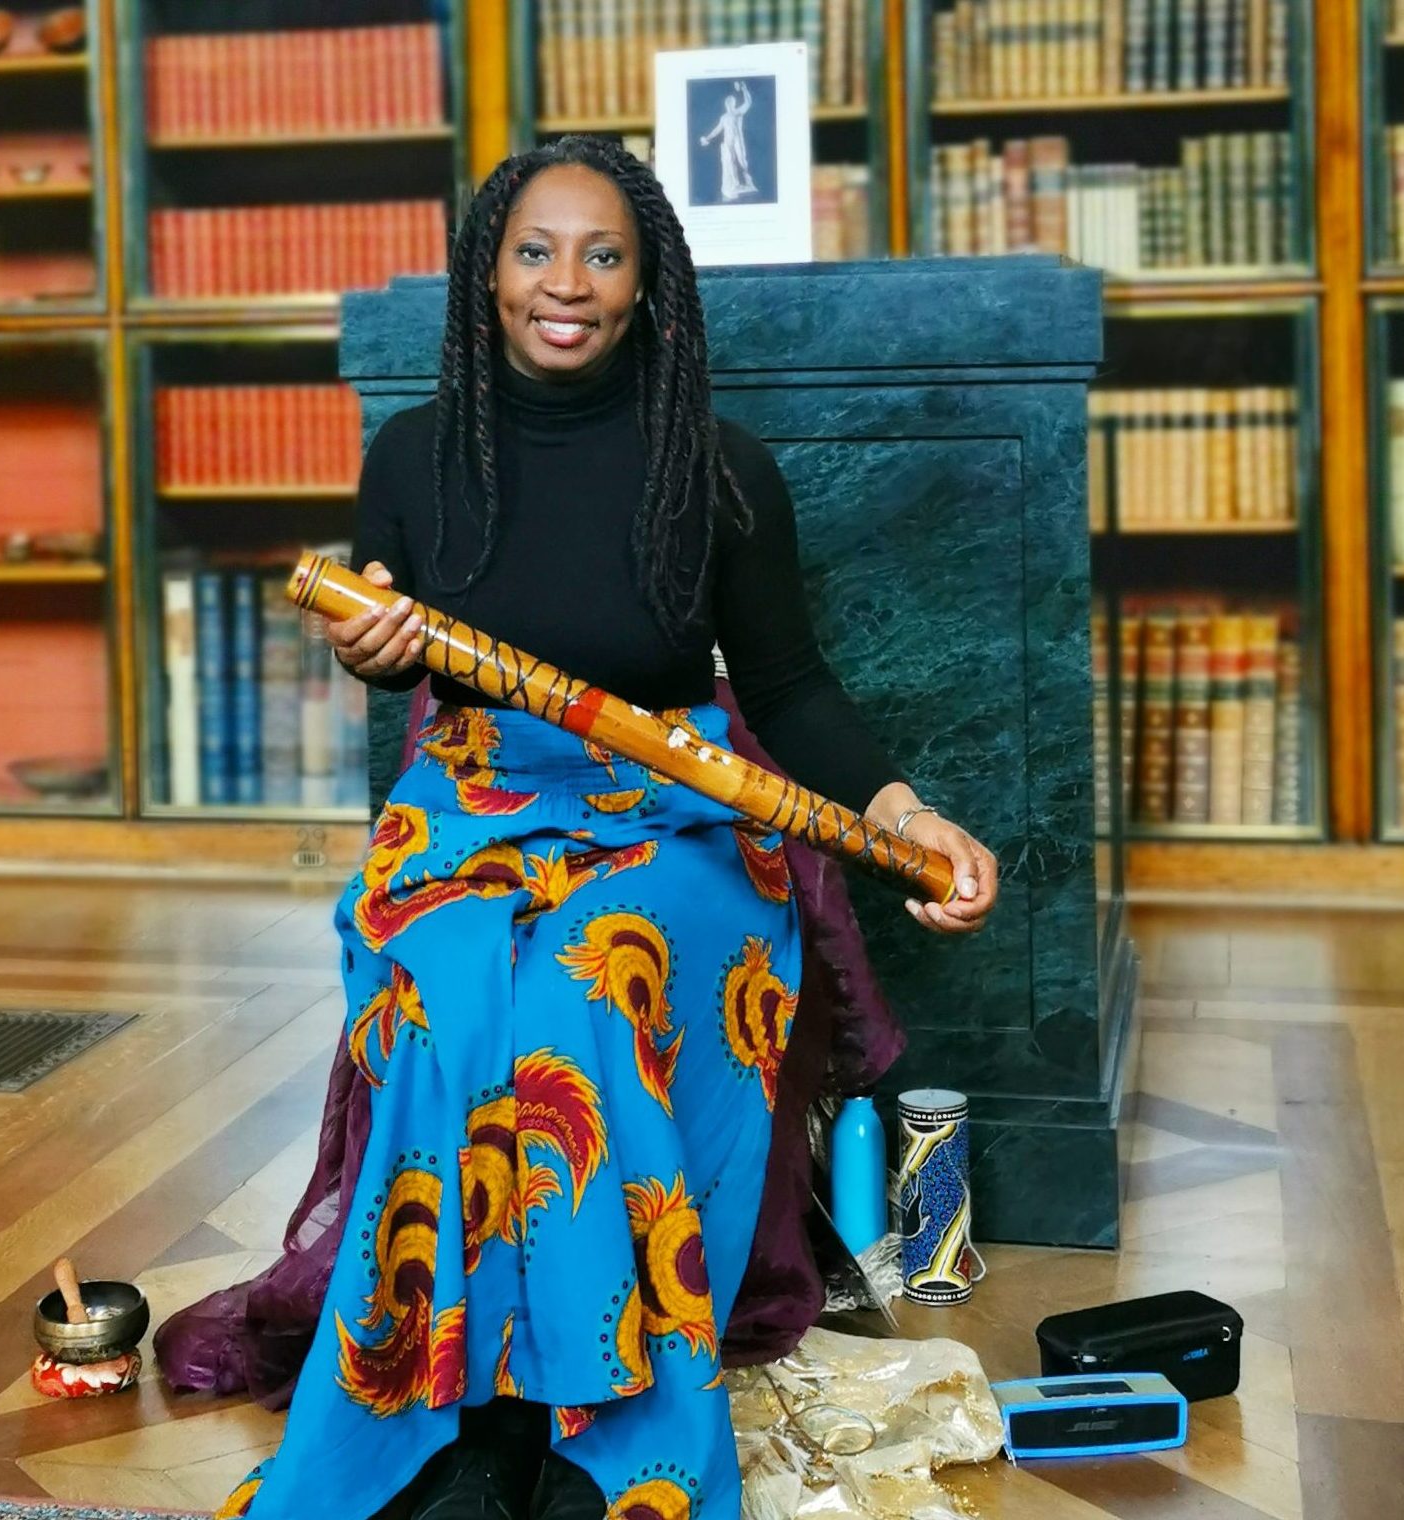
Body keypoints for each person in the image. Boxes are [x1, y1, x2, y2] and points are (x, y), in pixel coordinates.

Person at [215, 136, 997, 1520]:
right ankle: (462, 1424)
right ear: (487, 274)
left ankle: (603, 1433)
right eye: (533, 252)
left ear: (649, 286)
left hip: (671, 822)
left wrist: (905, 811)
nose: (563, 284)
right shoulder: (413, 453)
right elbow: (389, 657)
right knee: (447, 999)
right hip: (464, 807)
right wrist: (381, 655)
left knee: (584, 986)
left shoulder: (722, 467)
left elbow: (793, 687)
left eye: (601, 255)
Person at [697, 80, 756, 201]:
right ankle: (735, 184)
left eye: (731, 102)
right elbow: (717, 130)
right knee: (730, 162)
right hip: (728, 141)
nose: (729, 104)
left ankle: (747, 179)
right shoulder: (724, 117)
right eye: (727, 103)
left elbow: (748, 102)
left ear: (734, 104)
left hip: (737, 140)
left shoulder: (738, 112)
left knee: (742, 160)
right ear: (726, 104)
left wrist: (744, 89)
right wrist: (707, 138)